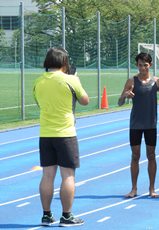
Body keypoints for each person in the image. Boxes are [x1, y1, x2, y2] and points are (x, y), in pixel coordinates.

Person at [33, 47, 89, 227]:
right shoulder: (70, 79)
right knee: (68, 176)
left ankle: (46, 215)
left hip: (45, 133)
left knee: (47, 175)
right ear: (64, 62)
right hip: (65, 133)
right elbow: (85, 100)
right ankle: (66, 216)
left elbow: (39, 103)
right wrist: (76, 80)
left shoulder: (38, 82)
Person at [118, 52, 159, 198]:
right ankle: (134, 188)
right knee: (135, 156)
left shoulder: (156, 81)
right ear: (137, 65)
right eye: (140, 65)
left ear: (150, 65)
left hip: (151, 124)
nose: (143, 68)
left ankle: (152, 188)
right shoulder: (131, 81)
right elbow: (119, 102)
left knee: (151, 155)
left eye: (145, 65)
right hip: (135, 124)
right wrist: (125, 95)